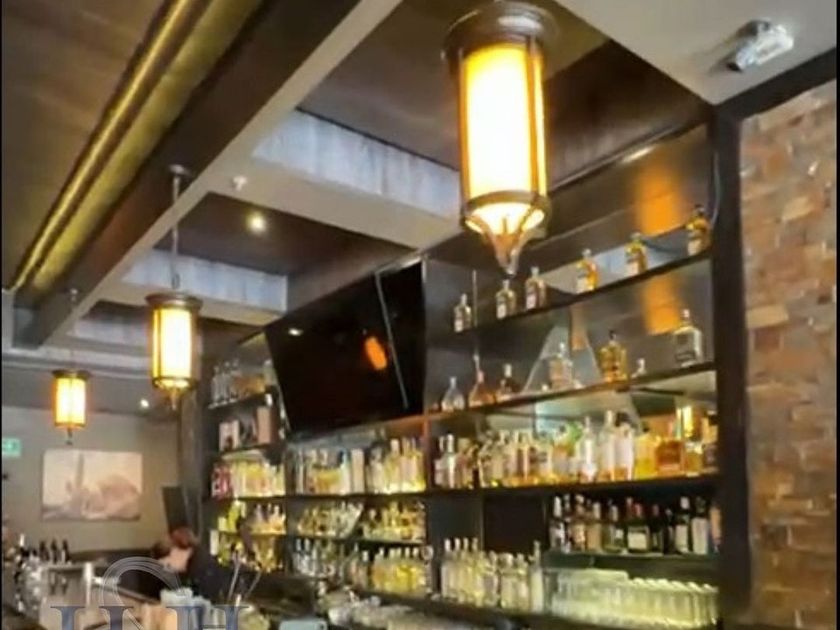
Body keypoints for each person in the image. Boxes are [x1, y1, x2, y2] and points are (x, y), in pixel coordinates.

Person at [156, 526, 257, 602]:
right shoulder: (200, 568)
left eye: (168, 561)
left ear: (182, 549)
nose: (165, 566)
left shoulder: (203, 574)